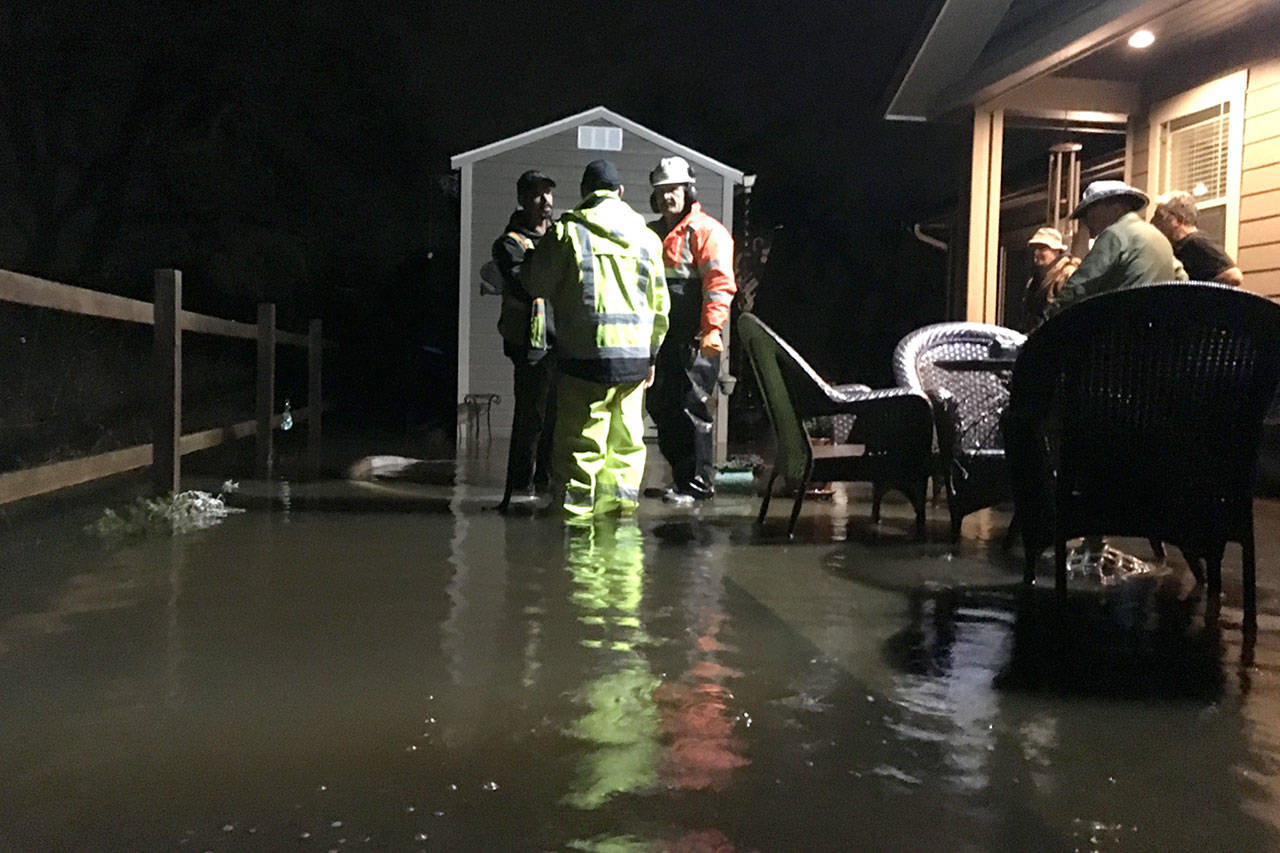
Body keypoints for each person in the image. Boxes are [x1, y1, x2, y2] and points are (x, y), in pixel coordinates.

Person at [524, 160, 669, 518]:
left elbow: (535, 284)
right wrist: (652, 356)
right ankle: (618, 525)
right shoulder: (646, 237)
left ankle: (575, 534)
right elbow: (660, 306)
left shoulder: (568, 232)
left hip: (584, 362)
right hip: (634, 362)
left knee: (580, 447)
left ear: (585, 194)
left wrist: (530, 257)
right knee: (626, 447)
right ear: (620, 192)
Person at [645, 156, 737, 506]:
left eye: (674, 190)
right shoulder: (653, 233)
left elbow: (718, 284)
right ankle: (682, 479)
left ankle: (697, 485)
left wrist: (712, 329)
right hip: (663, 339)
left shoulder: (707, 232)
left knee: (692, 408)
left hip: (695, 339)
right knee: (661, 405)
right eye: (662, 191)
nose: (668, 197)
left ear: (687, 191)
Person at [491, 169, 557, 511]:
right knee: (530, 416)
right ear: (521, 200)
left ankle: (546, 482)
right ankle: (520, 485)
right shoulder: (509, 243)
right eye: (536, 194)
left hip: (560, 342)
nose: (544, 201)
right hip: (529, 346)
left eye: (548, 193)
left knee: (556, 417)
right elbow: (528, 284)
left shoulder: (560, 236)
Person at [1047, 179, 1187, 318]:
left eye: (1089, 212)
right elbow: (1181, 278)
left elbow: (1080, 286)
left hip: (1122, 328)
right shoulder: (1157, 236)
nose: (1085, 221)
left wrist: (1047, 321)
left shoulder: (1114, 234)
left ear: (1115, 208)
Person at [1151, 190, 1244, 286]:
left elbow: (1233, 276)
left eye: (1159, 217)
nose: (1153, 222)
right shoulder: (1178, 247)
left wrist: (1197, 292)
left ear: (1179, 220)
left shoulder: (1196, 242)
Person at [1022, 226, 1079, 329]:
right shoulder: (1034, 281)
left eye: (1042, 248)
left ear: (1056, 250)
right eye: (1035, 249)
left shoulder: (1067, 274)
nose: (1037, 253)